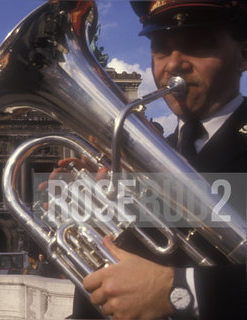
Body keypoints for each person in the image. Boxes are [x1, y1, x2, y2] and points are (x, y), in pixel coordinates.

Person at [67, 1, 247, 319]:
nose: (174, 64)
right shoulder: (148, 158)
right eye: (161, 48)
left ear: (243, 55)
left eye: (196, 43)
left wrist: (178, 290)